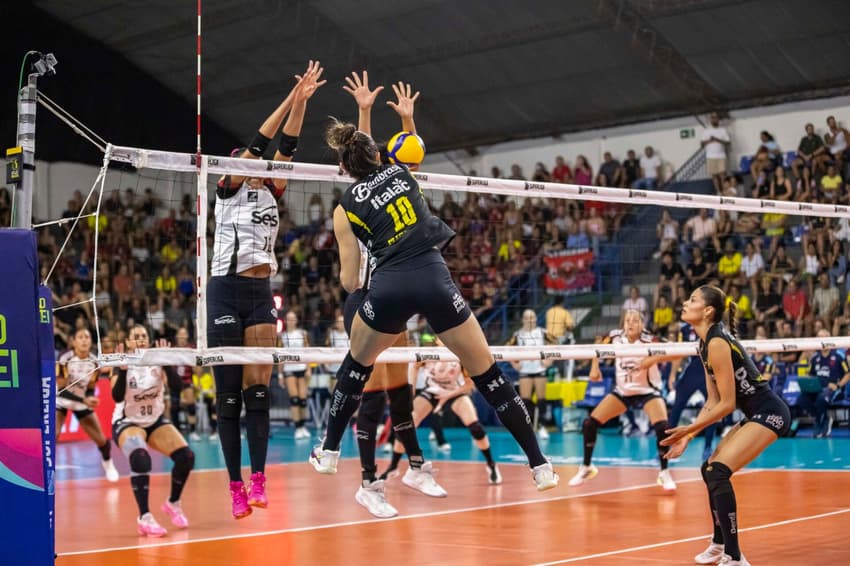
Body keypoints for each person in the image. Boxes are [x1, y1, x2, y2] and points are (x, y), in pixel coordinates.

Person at [308, 115, 557, 490]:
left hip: (389, 287)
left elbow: (347, 280)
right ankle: (540, 466)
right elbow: (410, 145)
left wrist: (361, 293)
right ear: (378, 154)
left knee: (355, 366)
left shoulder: (343, 208)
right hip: (433, 278)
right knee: (487, 373)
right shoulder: (402, 174)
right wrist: (403, 116)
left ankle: (328, 452)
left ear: (343, 167)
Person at [207, 61, 325, 519]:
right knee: (229, 397)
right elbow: (259, 144)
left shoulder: (273, 190)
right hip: (223, 291)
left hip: (260, 294)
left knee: (259, 392)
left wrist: (303, 100)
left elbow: (288, 145)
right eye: (247, 162)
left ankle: (259, 478)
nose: (255, 165)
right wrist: (288, 98)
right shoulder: (227, 190)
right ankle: (234, 485)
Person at [332, 71, 449, 518]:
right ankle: (367, 482)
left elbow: (405, 163)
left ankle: (416, 466)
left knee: (399, 389)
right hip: (366, 298)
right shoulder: (349, 204)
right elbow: (368, 155)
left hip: (394, 293)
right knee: (375, 393)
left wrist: (407, 122)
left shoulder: (386, 183)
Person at [663, 286, 791, 566]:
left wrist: (685, 429)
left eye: (693, 300)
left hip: (771, 413)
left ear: (707, 311)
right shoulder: (703, 343)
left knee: (718, 472)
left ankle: (734, 557)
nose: (685, 302)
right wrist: (690, 435)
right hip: (756, 414)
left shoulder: (718, 342)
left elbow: (727, 404)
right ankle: (720, 543)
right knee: (708, 469)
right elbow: (713, 401)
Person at [568, 310, 677, 491]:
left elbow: (676, 353)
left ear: (642, 324)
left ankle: (664, 473)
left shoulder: (651, 340)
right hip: (623, 392)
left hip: (648, 391)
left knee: (662, 428)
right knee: (589, 424)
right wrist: (594, 369)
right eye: (627, 320)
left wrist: (651, 360)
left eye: (635, 320)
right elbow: (597, 346)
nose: (631, 323)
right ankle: (586, 467)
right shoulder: (615, 337)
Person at [111, 325, 195, 537]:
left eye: (143, 336)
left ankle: (173, 503)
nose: (140, 339)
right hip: (127, 422)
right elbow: (117, 396)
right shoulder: (123, 361)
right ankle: (144, 517)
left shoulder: (157, 360)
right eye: (135, 336)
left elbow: (178, 388)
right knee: (141, 458)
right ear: (129, 341)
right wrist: (121, 371)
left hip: (154, 420)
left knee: (186, 457)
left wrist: (166, 365)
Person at [382, 340, 502, 485]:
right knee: (406, 425)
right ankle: (393, 466)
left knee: (476, 428)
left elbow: (469, 385)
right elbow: (414, 367)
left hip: (455, 392)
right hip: (433, 391)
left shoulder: (460, 354)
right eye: (440, 336)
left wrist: (446, 397)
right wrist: (410, 394)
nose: (443, 337)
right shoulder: (429, 353)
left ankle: (491, 464)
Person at [56, 327, 119, 482]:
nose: (84, 340)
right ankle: (44, 470)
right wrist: (84, 400)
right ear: (74, 342)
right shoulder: (65, 358)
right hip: (62, 401)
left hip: (81, 403)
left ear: (91, 342)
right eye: (80, 337)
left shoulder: (94, 362)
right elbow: (61, 389)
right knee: (52, 436)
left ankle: (108, 464)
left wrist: (90, 398)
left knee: (102, 440)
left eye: (87, 337)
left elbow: (90, 388)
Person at [507, 309, 554, 439]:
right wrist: (515, 364)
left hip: (539, 369)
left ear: (536, 319)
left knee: (541, 399)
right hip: (525, 370)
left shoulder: (542, 332)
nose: (530, 320)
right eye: (527, 317)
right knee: (526, 400)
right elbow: (507, 349)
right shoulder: (518, 334)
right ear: (523, 319)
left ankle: (542, 427)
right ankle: (529, 426)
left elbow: (555, 345)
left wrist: (548, 361)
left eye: (532, 317)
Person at [805, 329, 850, 438]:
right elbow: (810, 375)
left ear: (829, 339)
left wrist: (838, 385)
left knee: (822, 398)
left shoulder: (839, 355)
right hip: (818, 388)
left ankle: (819, 423)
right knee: (802, 399)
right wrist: (808, 384)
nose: (821, 340)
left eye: (824, 337)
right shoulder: (814, 357)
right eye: (819, 337)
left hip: (834, 388)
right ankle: (824, 418)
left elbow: (848, 374)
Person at [279, 310, 312, 439]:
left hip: (302, 368)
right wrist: (281, 375)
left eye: (293, 318)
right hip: (289, 369)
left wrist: (309, 368)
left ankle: (303, 426)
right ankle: (298, 427)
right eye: (288, 318)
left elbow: (308, 352)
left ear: (296, 320)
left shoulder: (302, 334)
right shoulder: (282, 336)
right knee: (294, 399)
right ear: (286, 321)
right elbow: (280, 356)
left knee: (303, 400)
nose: (291, 320)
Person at [701, 111, 731, 195]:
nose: (714, 119)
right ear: (711, 119)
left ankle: (725, 190)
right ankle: (718, 191)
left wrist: (717, 140)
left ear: (718, 119)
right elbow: (702, 144)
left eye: (716, 117)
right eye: (712, 117)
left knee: (722, 174)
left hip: (721, 155)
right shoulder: (706, 131)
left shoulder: (723, 130)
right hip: (710, 156)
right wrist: (710, 140)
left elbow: (728, 143)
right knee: (714, 175)